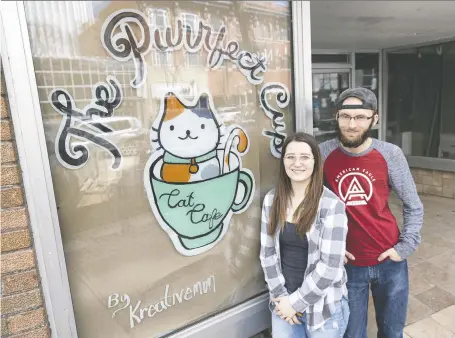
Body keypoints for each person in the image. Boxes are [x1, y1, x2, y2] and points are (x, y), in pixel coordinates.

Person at [319, 88, 424, 338]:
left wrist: (404, 247)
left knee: (391, 331)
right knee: (351, 333)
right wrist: (327, 246)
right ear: (336, 117)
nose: (352, 124)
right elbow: (311, 207)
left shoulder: (390, 154)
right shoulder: (322, 153)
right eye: (345, 116)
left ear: (374, 119)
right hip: (346, 265)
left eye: (360, 117)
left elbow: (413, 205)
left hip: (389, 261)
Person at [260, 132, 350, 338]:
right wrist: (281, 298)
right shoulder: (272, 200)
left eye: (304, 157)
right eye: (290, 157)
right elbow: (267, 254)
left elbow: (330, 267)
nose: (297, 163)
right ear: (283, 161)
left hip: (323, 308)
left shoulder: (331, 205)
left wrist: (295, 303)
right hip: (283, 302)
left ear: (315, 161)